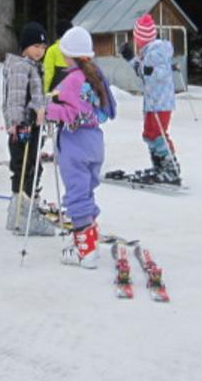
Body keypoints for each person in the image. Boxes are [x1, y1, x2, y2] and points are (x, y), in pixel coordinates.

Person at [46, 27, 117, 269]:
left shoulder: (73, 79)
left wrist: (48, 110)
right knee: (86, 191)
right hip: (94, 143)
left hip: (75, 145)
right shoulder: (96, 75)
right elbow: (101, 110)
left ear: (69, 55)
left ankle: (85, 252)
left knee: (76, 194)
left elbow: (73, 115)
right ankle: (89, 241)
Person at [2, 22, 56, 236]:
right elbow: (15, 98)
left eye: (43, 48)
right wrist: (18, 123)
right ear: (24, 46)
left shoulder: (33, 66)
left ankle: (19, 212)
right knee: (26, 167)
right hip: (23, 128)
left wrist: (43, 108)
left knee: (32, 166)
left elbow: (35, 96)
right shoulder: (20, 67)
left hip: (33, 126)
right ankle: (23, 216)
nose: (40, 51)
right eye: (36, 46)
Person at [129, 14, 178, 182]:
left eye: (136, 38)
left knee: (157, 134)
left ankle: (170, 168)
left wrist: (149, 71)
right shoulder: (149, 52)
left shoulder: (156, 52)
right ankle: (159, 166)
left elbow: (161, 72)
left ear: (141, 39)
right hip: (153, 102)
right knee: (150, 133)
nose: (135, 42)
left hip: (160, 103)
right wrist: (131, 59)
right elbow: (142, 70)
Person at [43, 20, 73, 93]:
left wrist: (44, 92)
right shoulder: (76, 49)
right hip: (74, 91)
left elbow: (47, 74)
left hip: (56, 93)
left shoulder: (52, 50)